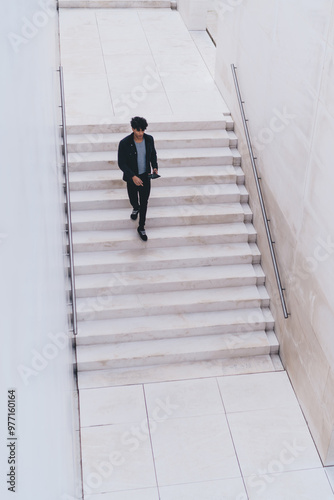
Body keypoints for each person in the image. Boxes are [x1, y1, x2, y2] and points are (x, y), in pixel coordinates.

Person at [117, 116, 158, 241]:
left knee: (144, 202)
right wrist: (133, 176)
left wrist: (155, 167)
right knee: (134, 199)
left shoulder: (149, 139)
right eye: (138, 130)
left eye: (142, 130)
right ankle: (135, 207)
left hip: (145, 177)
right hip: (132, 178)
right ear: (132, 129)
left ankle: (141, 227)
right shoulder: (124, 143)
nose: (140, 133)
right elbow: (121, 163)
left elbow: (153, 154)